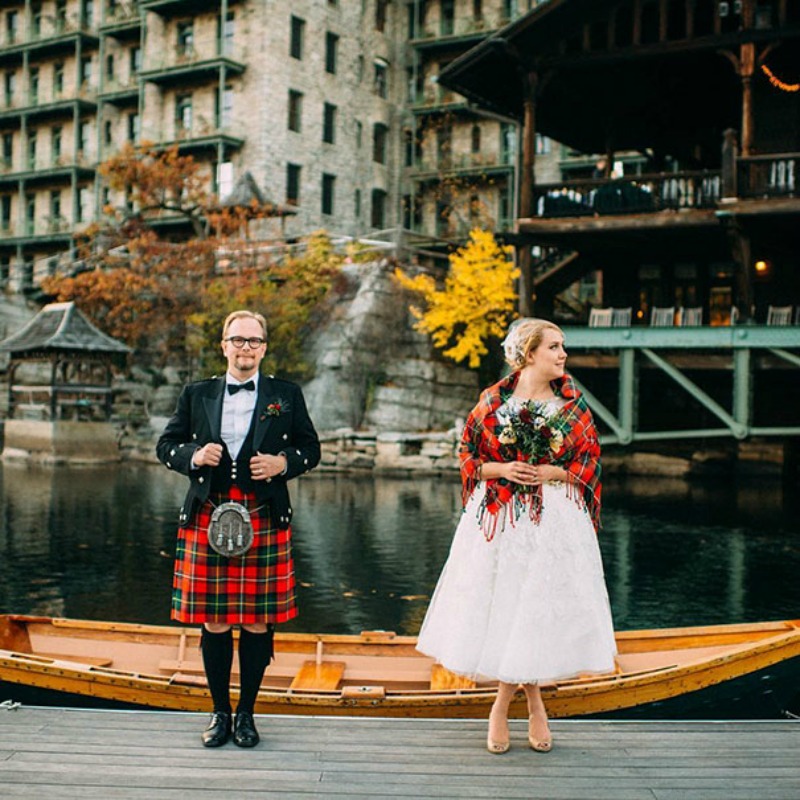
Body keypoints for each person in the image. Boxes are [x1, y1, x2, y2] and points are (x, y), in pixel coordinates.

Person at [416, 318, 616, 754]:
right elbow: (467, 457)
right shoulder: (493, 400)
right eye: (555, 348)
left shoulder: (573, 404)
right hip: (501, 517)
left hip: (555, 518)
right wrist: (503, 468)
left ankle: (503, 703)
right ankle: (534, 704)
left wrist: (553, 471)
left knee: (537, 608)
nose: (564, 355)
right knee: (509, 604)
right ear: (529, 355)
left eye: (563, 347)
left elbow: (591, 460)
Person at [157, 310, 320, 748]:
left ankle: (247, 714)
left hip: (263, 513)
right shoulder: (197, 393)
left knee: (255, 623)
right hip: (208, 513)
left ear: (264, 347)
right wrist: (193, 455)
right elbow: (165, 445)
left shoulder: (285, 395)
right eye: (238, 340)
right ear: (223, 345)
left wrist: (283, 464)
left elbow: (311, 447)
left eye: (254, 341)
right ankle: (219, 714)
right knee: (213, 622)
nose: (246, 347)